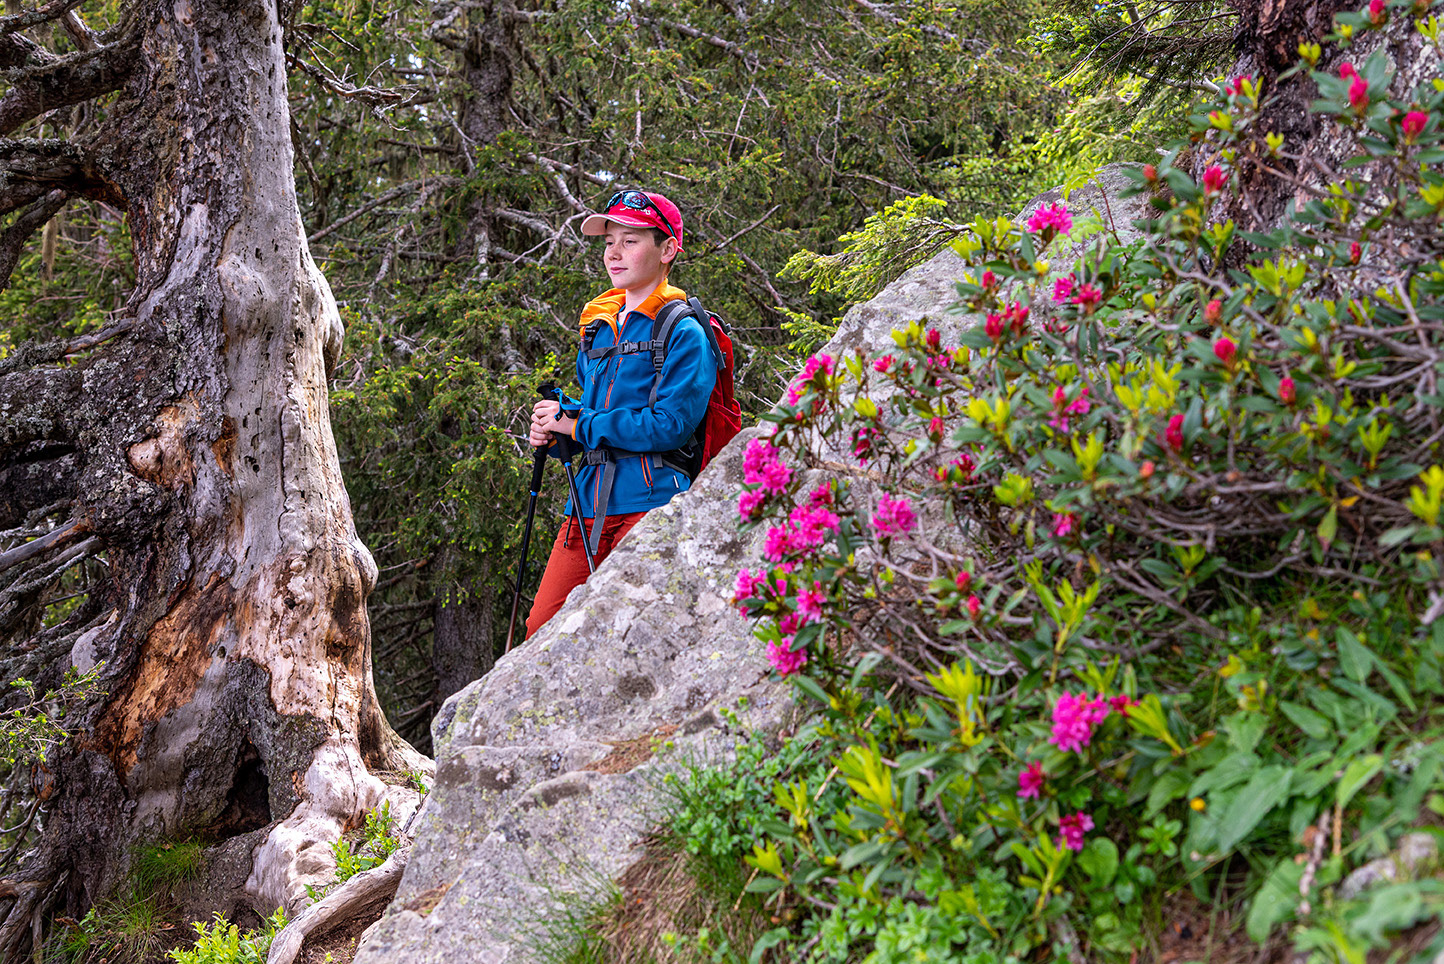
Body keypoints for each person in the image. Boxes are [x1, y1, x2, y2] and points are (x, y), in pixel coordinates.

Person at [524, 190, 717, 639]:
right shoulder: (598, 327)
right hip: (586, 506)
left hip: (652, 504)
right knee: (541, 630)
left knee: (633, 634)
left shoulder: (683, 331)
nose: (614, 252)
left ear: (667, 250)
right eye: (609, 241)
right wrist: (559, 424)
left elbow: (670, 426)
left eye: (630, 241)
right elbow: (598, 415)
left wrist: (580, 424)